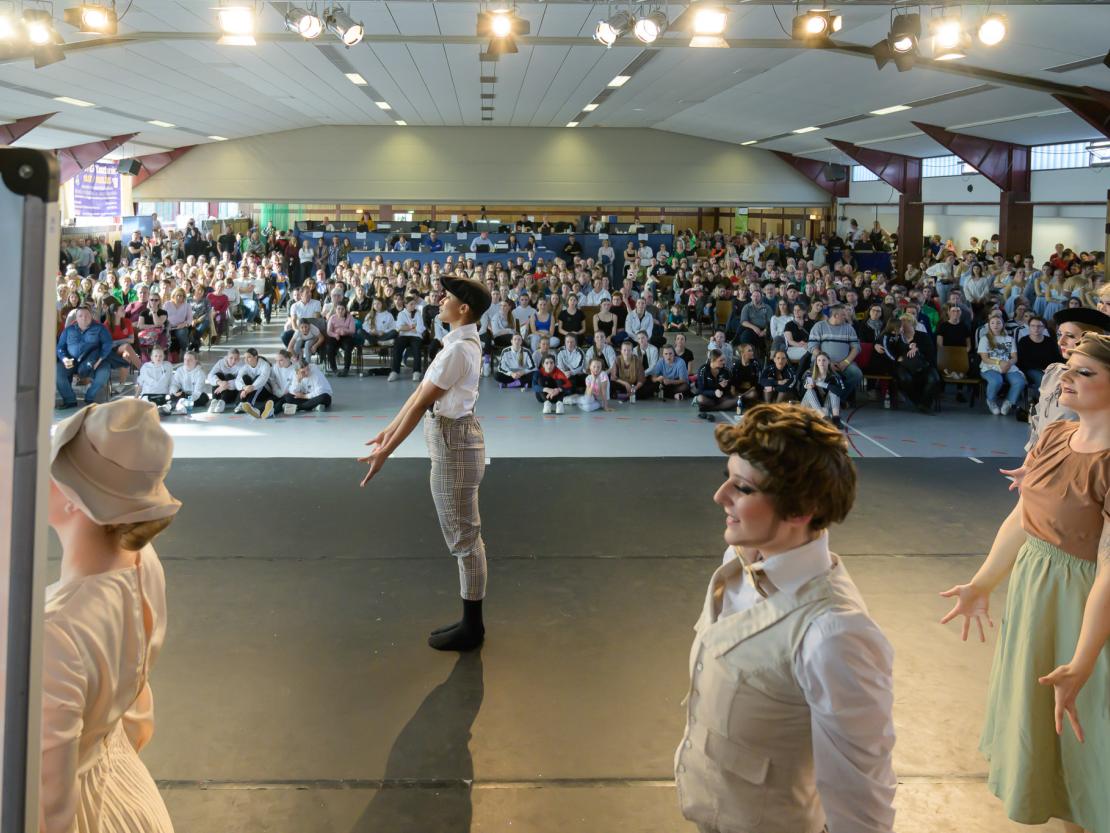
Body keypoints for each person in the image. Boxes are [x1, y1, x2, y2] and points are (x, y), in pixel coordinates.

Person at [676, 403, 896, 833]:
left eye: (741, 487)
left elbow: (861, 801)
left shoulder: (833, 634)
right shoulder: (736, 563)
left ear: (799, 509)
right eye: (727, 479)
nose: (720, 497)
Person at [939, 333, 1110, 833]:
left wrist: (1082, 659)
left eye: (1084, 372)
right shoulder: (1057, 434)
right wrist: (982, 583)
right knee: (1047, 729)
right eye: (1068, 367)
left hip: (1081, 603)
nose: (1067, 378)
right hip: (1036, 591)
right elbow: (1023, 519)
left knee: (1088, 728)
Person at [42, 399, 179, 833]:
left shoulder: (55, 632)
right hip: (127, 794)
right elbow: (136, 706)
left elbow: (46, 809)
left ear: (72, 502)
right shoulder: (142, 562)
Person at [359, 276, 491, 652]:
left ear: (463, 309)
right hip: (449, 438)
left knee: (465, 540)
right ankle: (470, 620)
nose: (441, 301)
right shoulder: (456, 344)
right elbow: (419, 393)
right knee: (463, 536)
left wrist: (385, 453)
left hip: (454, 442)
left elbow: (420, 406)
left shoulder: (457, 351)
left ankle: (473, 627)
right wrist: (387, 431)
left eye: (447, 298)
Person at [1023, 307, 1110, 452]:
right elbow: (1039, 417)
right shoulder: (1053, 372)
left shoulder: (1099, 378)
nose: (1060, 342)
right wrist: (1031, 455)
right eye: (1059, 334)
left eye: (1070, 335)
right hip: (1042, 457)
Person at [56, 306, 113, 410]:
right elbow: (60, 347)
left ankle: (90, 397)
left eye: (87, 315)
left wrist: (100, 359)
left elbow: (108, 343)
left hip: (94, 361)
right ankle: (70, 400)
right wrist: (64, 358)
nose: (84, 318)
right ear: (76, 318)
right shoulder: (68, 330)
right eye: (80, 316)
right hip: (72, 362)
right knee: (57, 371)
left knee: (104, 371)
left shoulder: (100, 328)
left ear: (91, 316)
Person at [978, 312, 1026, 416]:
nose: (995, 325)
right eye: (993, 323)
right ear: (989, 325)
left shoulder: (1009, 339)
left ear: (1003, 325)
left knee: (1020, 381)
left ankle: (1009, 402)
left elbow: (1014, 357)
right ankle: (991, 401)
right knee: (996, 381)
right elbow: (985, 358)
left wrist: (1008, 364)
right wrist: (1000, 362)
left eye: (998, 323)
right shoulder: (984, 339)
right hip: (990, 366)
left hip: (1008, 366)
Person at [801, 351, 847, 427]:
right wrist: (806, 386)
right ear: (816, 362)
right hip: (809, 406)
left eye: (824, 360)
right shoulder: (809, 373)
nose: (821, 362)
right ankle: (824, 417)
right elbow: (803, 388)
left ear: (828, 362)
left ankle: (836, 419)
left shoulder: (834, 376)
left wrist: (824, 384)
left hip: (824, 407)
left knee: (834, 391)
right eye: (819, 360)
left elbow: (841, 392)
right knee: (810, 390)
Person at [388, 296, 426, 382]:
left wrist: (407, 327)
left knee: (417, 348)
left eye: (414, 304)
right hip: (403, 336)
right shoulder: (401, 314)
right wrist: (412, 327)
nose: (413, 306)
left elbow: (420, 328)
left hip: (416, 336)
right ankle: (394, 372)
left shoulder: (418, 313)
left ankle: (416, 372)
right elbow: (400, 327)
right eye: (411, 304)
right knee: (397, 346)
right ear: (405, 305)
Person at [696, 349, 735, 422]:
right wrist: (714, 392)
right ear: (713, 360)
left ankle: (711, 409)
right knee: (700, 398)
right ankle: (720, 407)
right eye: (721, 360)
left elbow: (728, 391)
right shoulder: (703, 370)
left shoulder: (726, 371)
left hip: (721, 398)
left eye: (724, 360)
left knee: (736, 400)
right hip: (708, 398)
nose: (724, 362)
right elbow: (700, 390)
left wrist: (725, 386)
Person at [167, 349, 208, 414]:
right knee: (174, 395)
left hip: (196, 396)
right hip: (184, 394)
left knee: (203, 398)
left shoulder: (200, 373)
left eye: (190, 360)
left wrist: (188, 400)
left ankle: (181, 404)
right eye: (185, 359)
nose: (187, 362)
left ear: (195, 361)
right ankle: (174, 405)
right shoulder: (179, 370)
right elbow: (174, 383)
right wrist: (174, 391)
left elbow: (197, 392)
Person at [205, 348, 242, 413]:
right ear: (227, 357)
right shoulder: (221, 362)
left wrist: (225, 385)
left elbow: (239, 382)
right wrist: (220, 382)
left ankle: (222, 402)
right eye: (231, 358)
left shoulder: (241, 366)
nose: (233, 361)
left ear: (238, 359)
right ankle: (214, 401)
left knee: (229, 376)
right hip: (219, 391)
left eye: (236, 359)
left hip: (231, 393)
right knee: (217, 375)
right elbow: (210, 375)